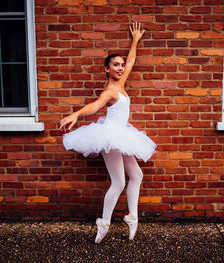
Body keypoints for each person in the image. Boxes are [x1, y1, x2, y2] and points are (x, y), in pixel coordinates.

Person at [59, 22, 156, 244]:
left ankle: (132, 218)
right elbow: (95, 105)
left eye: (121, 65)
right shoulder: (110, 91)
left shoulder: (121, 83)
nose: (121, 68)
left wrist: (135, 41)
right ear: (107, 69)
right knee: (118, 183)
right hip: (111, 137)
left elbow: (131, 61)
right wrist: (76, 114)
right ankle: (103, 224)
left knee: (137, 176)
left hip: (122, 134)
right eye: (115, 65)